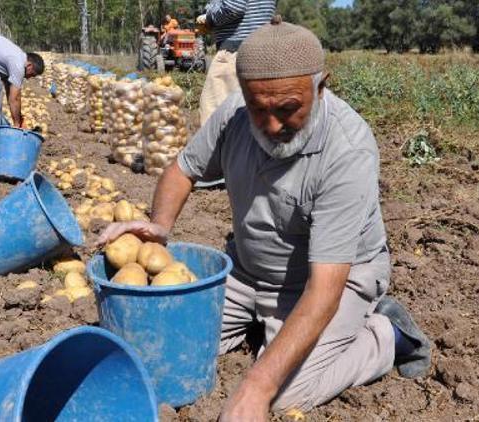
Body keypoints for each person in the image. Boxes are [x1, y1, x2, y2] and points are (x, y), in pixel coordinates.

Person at [98, 20, 431, 420]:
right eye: (259, 109)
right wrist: (160, 227)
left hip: (328, 282)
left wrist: (256, 386)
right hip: (246, 271)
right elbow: (183, 170)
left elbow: (324, 290)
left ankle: (389, 336)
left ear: (320, 87)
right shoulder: (234, 115)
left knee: (283, 395)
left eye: (287, 109)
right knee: (171, 344)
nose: (272, 125)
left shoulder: (347, 151)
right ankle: (267, 326)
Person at [196, 0, 275, 126]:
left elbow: (234, 7)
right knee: (253, 116)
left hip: (235, 51)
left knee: (213, 115)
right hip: (261, 49)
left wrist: (209, 17)